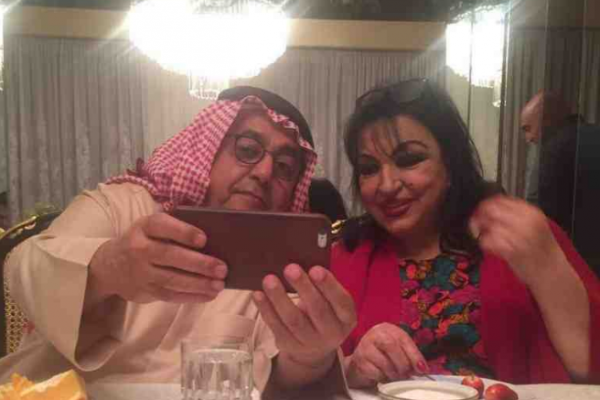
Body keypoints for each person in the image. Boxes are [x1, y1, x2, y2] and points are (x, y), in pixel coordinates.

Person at [0, 86, 356, 397]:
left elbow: (286, 376)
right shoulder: (121, 204)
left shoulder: (277, 265)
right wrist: (109, 267)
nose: (265, 172)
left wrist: (310, 357)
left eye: (285, 168)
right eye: (248, 149)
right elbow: (26, 267)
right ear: (207, 147)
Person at [330, 79, 600, 388]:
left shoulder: (520, 236)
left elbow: (590, 370)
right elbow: (308, 374)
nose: (387, 185)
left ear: (451, 164)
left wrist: (547, 269)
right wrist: (350, 368)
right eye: (369, 168)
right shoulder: (345, 256)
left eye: (409, 160)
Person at [521, 91, 600, 276]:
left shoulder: (555, 149)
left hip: (581, 264)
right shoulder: (594, 134)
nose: (528, 138)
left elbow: (545, 218)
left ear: (547, 119)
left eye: (528, 128)